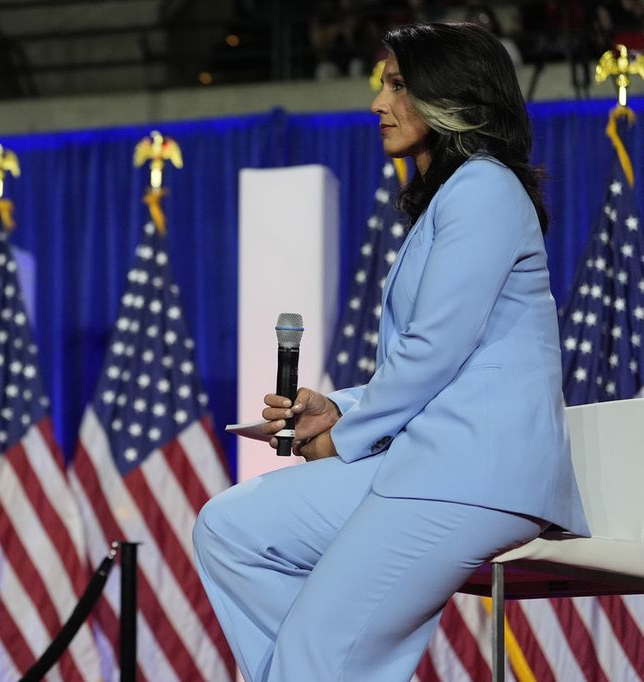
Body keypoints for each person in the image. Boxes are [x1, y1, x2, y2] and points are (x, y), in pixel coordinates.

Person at [193, 22, 589, 682]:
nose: (379, 103)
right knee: (232, 530)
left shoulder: (486, 187)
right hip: (424, 464)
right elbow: (433, 356)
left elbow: (434, 350)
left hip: (473, 478)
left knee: (317, 655)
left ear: (453, 94)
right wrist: (334, 408)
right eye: (383, 85)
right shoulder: (454, 198)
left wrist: (343, 434)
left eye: (399, 85)